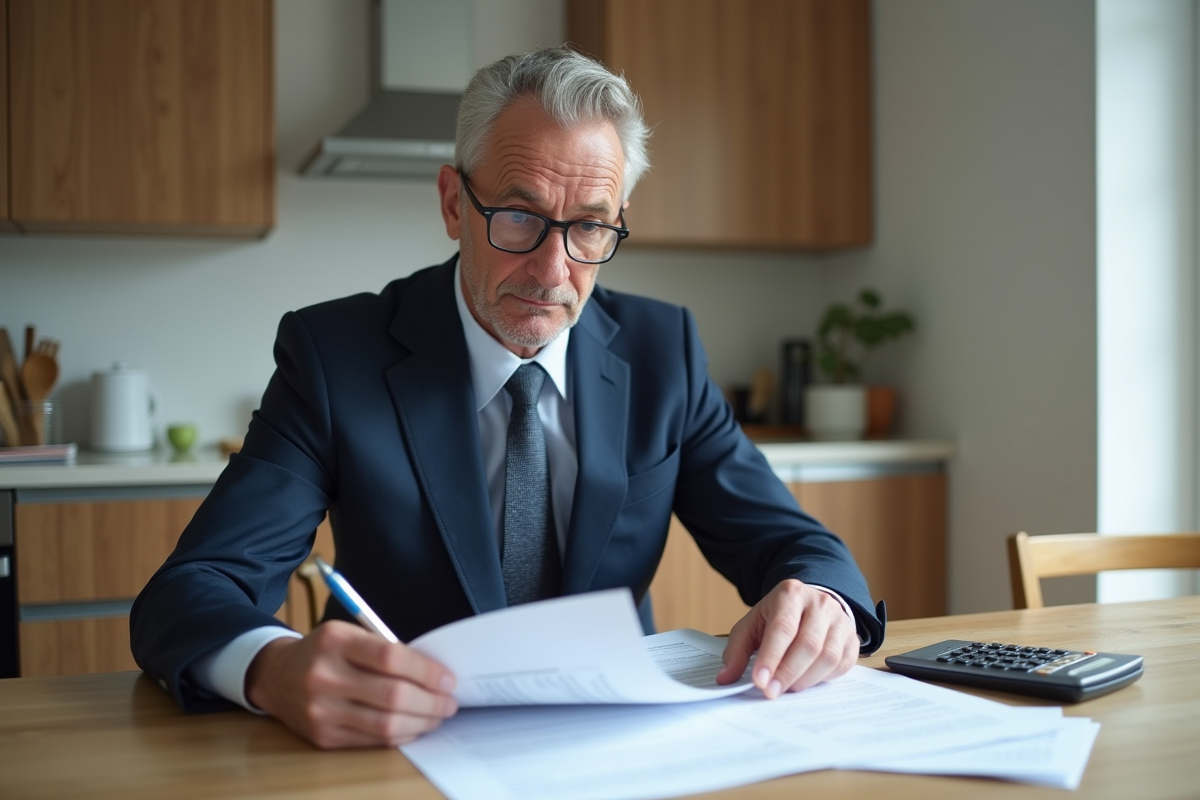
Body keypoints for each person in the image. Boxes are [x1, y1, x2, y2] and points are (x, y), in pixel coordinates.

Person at [131, 47, 885, 750]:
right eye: (520, 216)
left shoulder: (664, 353)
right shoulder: (335, 357)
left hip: (611, 745)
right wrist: (270, 668)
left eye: (590, 226)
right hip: (398, 749)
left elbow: (798, 545)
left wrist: (819, 600)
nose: (554, 271)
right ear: (455, 204)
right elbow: (193, 589)